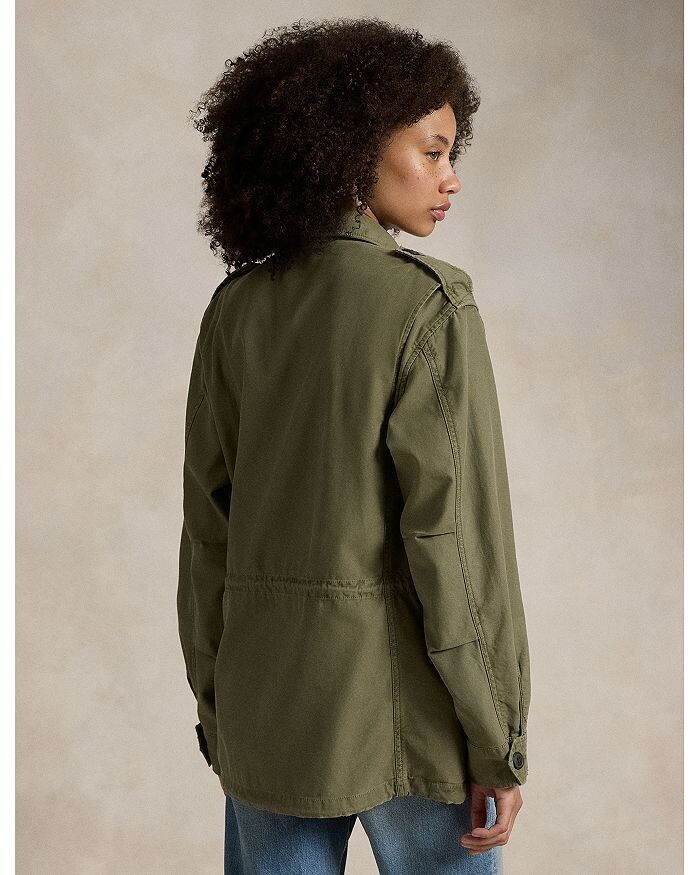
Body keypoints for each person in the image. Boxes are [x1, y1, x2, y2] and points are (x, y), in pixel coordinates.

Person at [177, 16, 532, 874]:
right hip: (406, 717)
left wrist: (219, 703)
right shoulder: (427, 304)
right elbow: (455, 544)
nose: (451, 177)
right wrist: (498, 738)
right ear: (350, 152)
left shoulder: (237, 307)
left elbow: (207, 532)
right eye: (433, 151)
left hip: (264, 709)